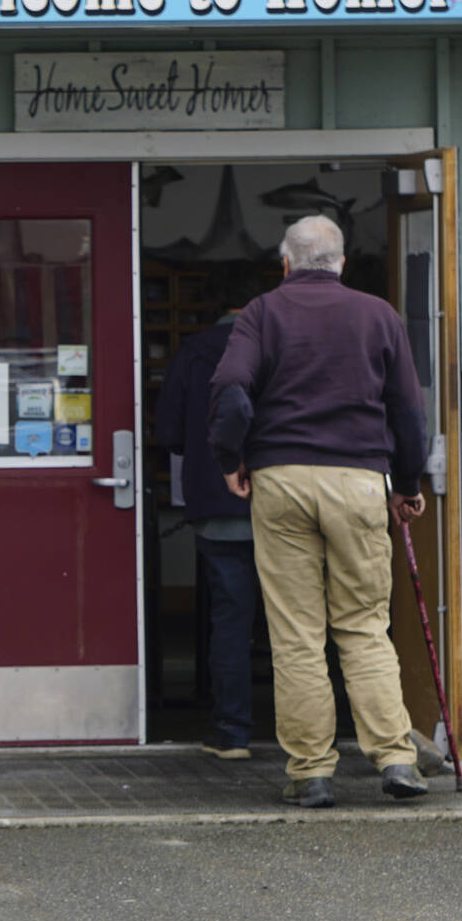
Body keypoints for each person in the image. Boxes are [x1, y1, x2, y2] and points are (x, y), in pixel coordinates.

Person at [206, 214, 430, 808]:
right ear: (341, 264)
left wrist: (231, 458)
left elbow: (230, 388)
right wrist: (406, 483)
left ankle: (311, 773)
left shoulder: (260, 313)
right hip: (358, 480)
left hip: (279, 481)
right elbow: (408, 411)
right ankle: (397, 759)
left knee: (298, 634)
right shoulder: (378, 314)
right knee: (363, 624)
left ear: (285, 264)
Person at [155, 274, 265, 760]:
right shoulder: (275, 347)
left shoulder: (195, 351)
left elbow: (170, 432)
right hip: (280, 502)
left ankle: (232, 732)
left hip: (217, 506)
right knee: (299, 623)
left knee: (230, 619)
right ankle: (313, 736)